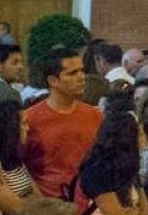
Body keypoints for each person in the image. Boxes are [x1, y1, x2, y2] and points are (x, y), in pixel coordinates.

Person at [20, 48, 102, 201]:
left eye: (82, 71)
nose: (82, 77)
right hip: (46, 208)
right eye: (72, 73)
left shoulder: (95, 115)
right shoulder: (29, 119)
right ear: (53, 81)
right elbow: (17, 169)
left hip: (88, 206)